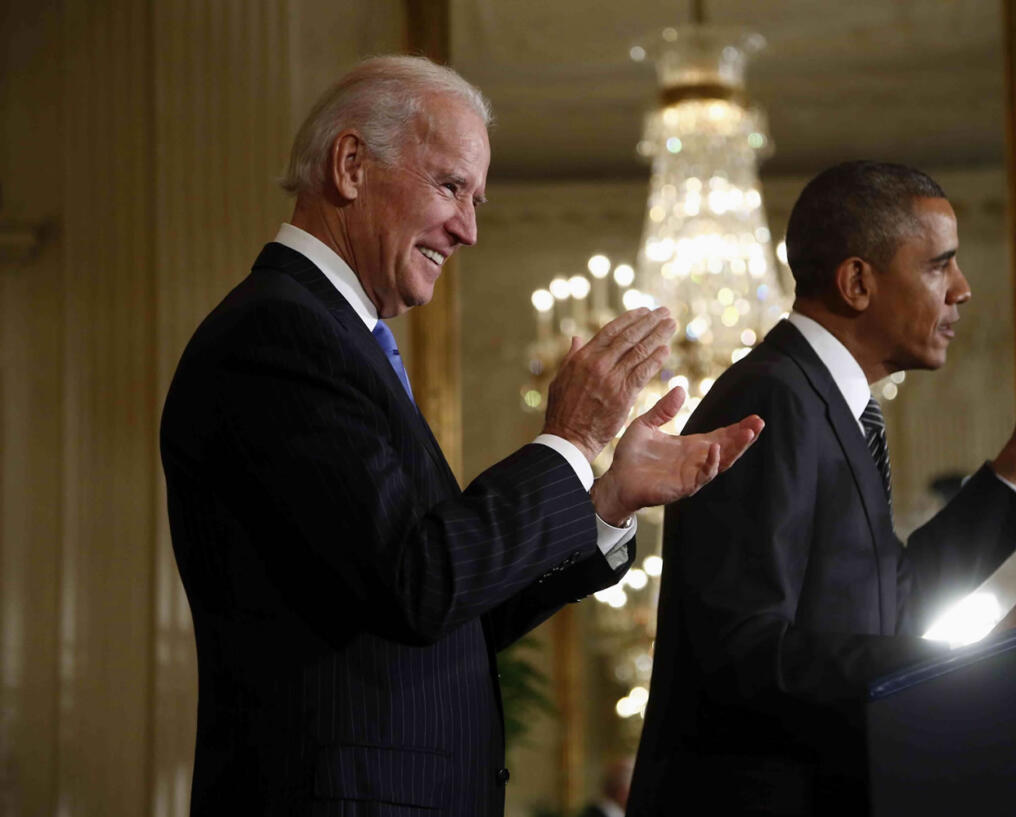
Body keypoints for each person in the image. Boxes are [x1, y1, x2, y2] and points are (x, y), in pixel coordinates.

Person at [159, 56, 762, 817]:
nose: (469, 229)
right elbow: (419, 583)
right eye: (451, 187)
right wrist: (571, 440)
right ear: (351, 166)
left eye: (475, 199)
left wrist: (605, 498)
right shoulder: (279, 335)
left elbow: (452, 606)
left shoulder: (336, 337)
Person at [626, 161, 1016, 815]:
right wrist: (985, 657)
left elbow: (891, 603)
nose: (962, 290)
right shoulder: (774, 396)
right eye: (940, 265)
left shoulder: (825, 403)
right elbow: (745, 650)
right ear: (857, 281)